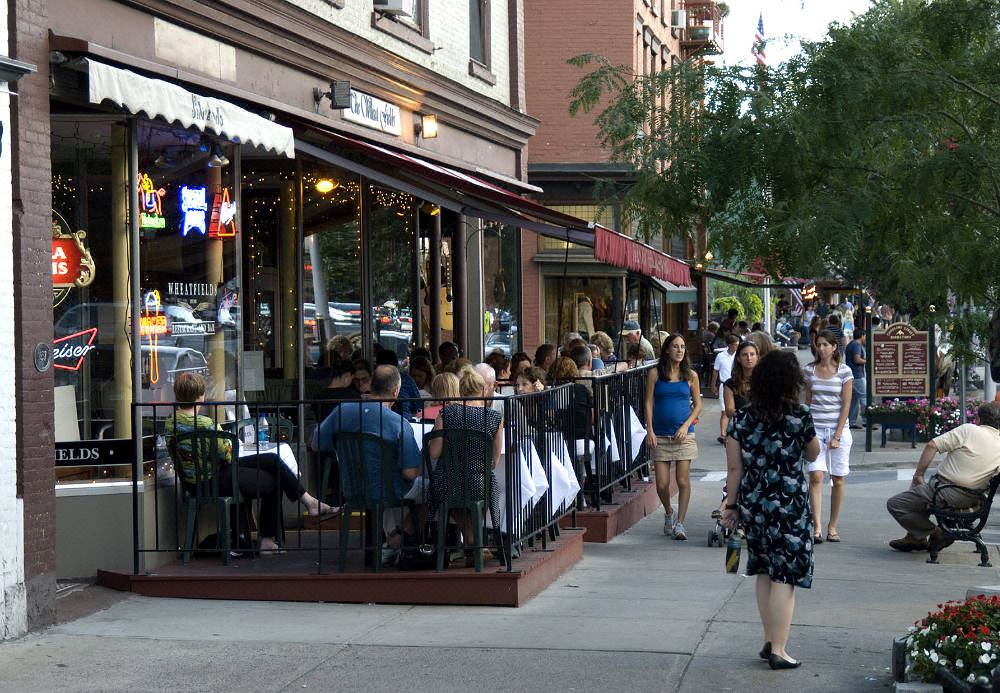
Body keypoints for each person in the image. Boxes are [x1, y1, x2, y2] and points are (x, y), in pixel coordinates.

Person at [721, 350, 820, 670]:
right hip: (790, 504)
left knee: (762, 569)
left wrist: (731, 505)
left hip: (755, 503)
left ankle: (768, 638)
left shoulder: (742, 418)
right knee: (785, 576)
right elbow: (814, 452)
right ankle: (779, 648)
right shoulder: (800, 415)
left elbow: (734, 469)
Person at [166, 373, 337, 554]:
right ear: (200, 396)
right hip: (215, 479)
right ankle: (269, 537)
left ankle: (307, 501)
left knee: (272, 460)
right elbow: (226, 455)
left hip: (194, 482)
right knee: (275, 478)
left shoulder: (171, 423)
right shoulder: (207, 424)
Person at [313, 365, 422, 543]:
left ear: (372, 385)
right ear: (395, 392)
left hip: (351, 490)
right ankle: (398, 538)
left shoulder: (342, 411)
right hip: (389, 492)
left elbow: (316, 444)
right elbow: (409, 472)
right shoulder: (398, 423)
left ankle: (388, 543)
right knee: (430, 489)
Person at [887, 402, 1000, 553]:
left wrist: (918, 474)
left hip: (947, 491)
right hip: (975, 498)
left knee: (896, 504)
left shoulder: (969, 430)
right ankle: (915, 537)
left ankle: (934, 533)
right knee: (922, 492)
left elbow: (932, 445)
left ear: (978, 419)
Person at [427, 368, 504, 567]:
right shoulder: (494, 417)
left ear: (460, 391)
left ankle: (469, 537)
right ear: (483, 391)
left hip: (447, 483)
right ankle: (475, 539)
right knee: (482, 493)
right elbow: (494, 462)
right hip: (480, 483)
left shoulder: (447, 412)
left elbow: (434, 453)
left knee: (450, 496)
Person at [645, 333, 702, 541]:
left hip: (683, 435)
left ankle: (680, 523)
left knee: (682, 480)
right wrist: (649, 429)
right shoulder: (655, 374)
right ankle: (669, 512)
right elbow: (649, 403)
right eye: (676, 347)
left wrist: (687, 426)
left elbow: (698, 406)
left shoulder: (691, 376)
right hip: (660, 434)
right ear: (667, 349)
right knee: (661, 484)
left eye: (683, 347)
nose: (680, 350)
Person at [804, 330, 853, 544]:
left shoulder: (844, 371)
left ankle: (832, 526)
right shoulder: (809, 370)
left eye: (825, 344)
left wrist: (838, 434)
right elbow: (807, 401)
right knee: (816, 476)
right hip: (815, 428)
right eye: (819, 344)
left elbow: (846, 404)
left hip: (837, 429)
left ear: (834, 347)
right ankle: (817, 526)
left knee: (838, 479)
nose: (821, 348)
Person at [376, 349, 420, 419]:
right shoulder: (406, 380)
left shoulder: (374, 380)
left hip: (379, 421)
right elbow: (418, 405)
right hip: (404, 420)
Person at [712, 334, 740, 444]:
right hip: (724, 385)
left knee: (735, 410)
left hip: (737, 385)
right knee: (724, 411)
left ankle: (734, 432)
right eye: (735, 345)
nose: (737, 347)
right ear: (729, 345)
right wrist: (713, 384)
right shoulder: (721, 356)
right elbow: (715, 371)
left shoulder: (738, 356)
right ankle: (722, 434)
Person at [845, 328, 867, 429]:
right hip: (858, 375)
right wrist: (867, 361)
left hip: (851, 375)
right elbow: (857, 359)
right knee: (864, 397)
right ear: (862, 335)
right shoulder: (857, 345)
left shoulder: (850, 344)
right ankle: (866, 420)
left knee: (854, 400)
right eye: (865, 336)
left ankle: (852, 422)